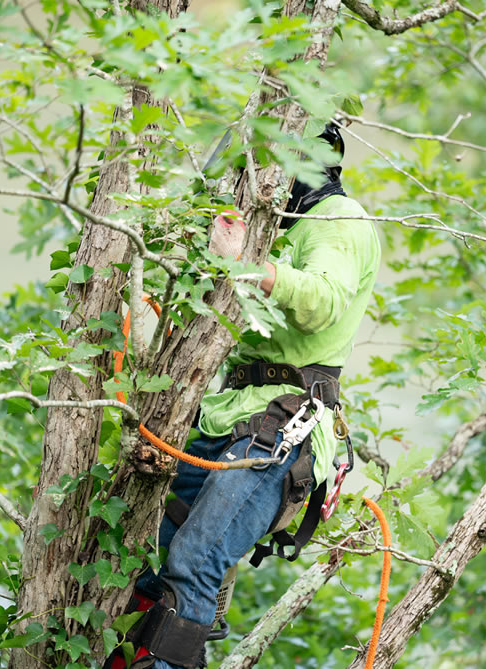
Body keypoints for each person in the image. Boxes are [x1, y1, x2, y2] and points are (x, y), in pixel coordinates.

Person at [106, 124, 381, 669]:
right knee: (125, 528)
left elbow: (322, 300)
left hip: (284, 427)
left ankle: (172, 642)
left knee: (194, 560)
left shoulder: (338, 220)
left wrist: (247, 264)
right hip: (226, 416)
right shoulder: (272, 224)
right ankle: (163, 636)